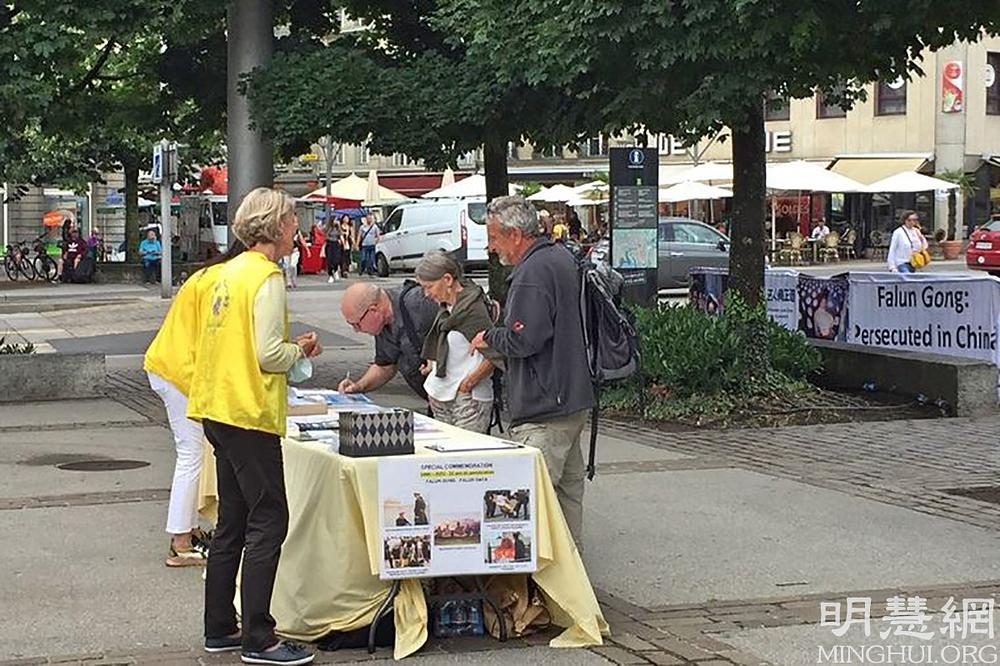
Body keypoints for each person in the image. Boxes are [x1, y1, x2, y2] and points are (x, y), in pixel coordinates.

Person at [187, 187, 321, 665]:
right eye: (291, 222)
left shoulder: (225, 274)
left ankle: (220, 626)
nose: (296, 231)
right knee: (269, 518)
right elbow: (268, 354)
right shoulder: (266, 277)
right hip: (248, 411)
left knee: (233, 521)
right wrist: (300, 349)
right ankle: (260, 638)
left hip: (217, 407)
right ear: (276, 227)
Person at [471, 196, 595, 545]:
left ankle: (542, 587)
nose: (490, 246)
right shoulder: (559, 256)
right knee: (568, 496)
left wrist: (488, 337)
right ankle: (571, 578)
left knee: (530, 503)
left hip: (545, 405)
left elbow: (526, 339)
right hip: (571, 396)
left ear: (513, 234)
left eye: (493, 237)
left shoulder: (531, 272)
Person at [144, 241, 246, 568]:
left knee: (193, 452)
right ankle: (181, 541)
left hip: (170, 366)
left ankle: (186, 532)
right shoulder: (226, 281)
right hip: (180, 372)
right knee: (191, 454)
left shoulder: (210, 274)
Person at [415, 251, 503, 434]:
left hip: (467, 399)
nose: (426, 294)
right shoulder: (447, 307)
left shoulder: (472, 308)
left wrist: (468, 384)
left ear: (447, 279)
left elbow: (496, 353)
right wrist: (432, 363)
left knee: (465, 458)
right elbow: (445, 341)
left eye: (429, 287)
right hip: (442, 393)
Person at [338, 281, 438, 400]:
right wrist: (358, 386)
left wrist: (436, 357)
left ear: (373, 310)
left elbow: (459, 322)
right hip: (436, 400)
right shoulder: (381, 325)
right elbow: (385, 366)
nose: (356, 330)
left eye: (357, 324)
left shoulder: (419, 302)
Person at [324, 215, 345, 283]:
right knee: (329, 260)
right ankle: (330, 275)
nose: (336, 221)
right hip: (329, 244)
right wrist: (331, 227)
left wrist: (338, 226)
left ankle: (335, 270)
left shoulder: (338, 228)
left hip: (336, 244)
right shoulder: (328, 227)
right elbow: (326, 235)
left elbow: (341, 234)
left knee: (336, 260)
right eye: (335, 220)